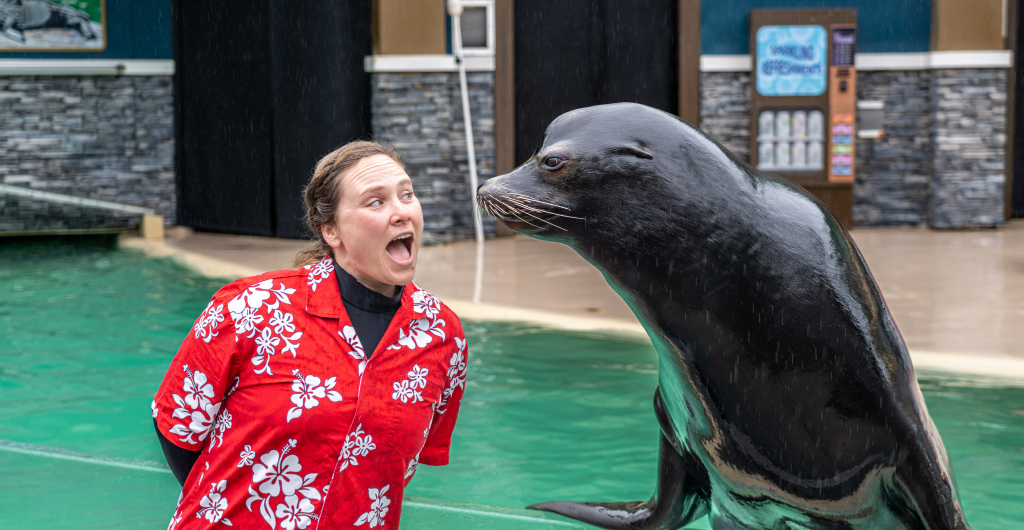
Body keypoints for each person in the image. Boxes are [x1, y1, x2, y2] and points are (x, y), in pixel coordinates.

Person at [151, 141, 468, 529]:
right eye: (376, 202)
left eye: (407, 195)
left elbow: (396, 465)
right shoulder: (250, 307)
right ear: (330, 231)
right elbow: (178, 429)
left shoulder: (442, 336)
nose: (402, 212)